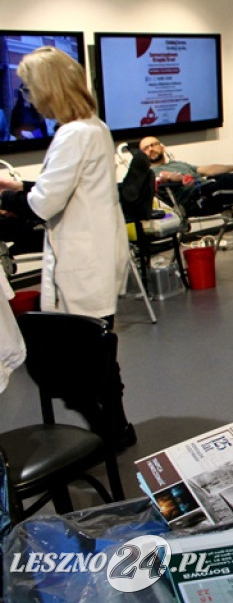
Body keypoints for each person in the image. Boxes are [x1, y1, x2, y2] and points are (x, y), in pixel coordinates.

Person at [0, 47, 134, 449]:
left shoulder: (72, 134)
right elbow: (58, 189)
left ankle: (107, 430)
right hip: (95, 255)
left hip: (83, 263)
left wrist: (10, 198)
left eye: (28, 88)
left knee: (74, 358)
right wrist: (19, 188)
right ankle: (115, 427)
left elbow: (44, 203)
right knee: (99, 351)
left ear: (47, 88)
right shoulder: (93, 127)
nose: (26, 96)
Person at [140, 136, 233, 213]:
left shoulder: (179, 163)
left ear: (162, 147)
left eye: (153, 144)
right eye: (146, 148)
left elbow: (206, 170)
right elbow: (166, 176)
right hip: (197, 199)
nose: (150, 149)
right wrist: (181, 178)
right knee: (227, 181)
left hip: (210, 188)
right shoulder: (151, 173)